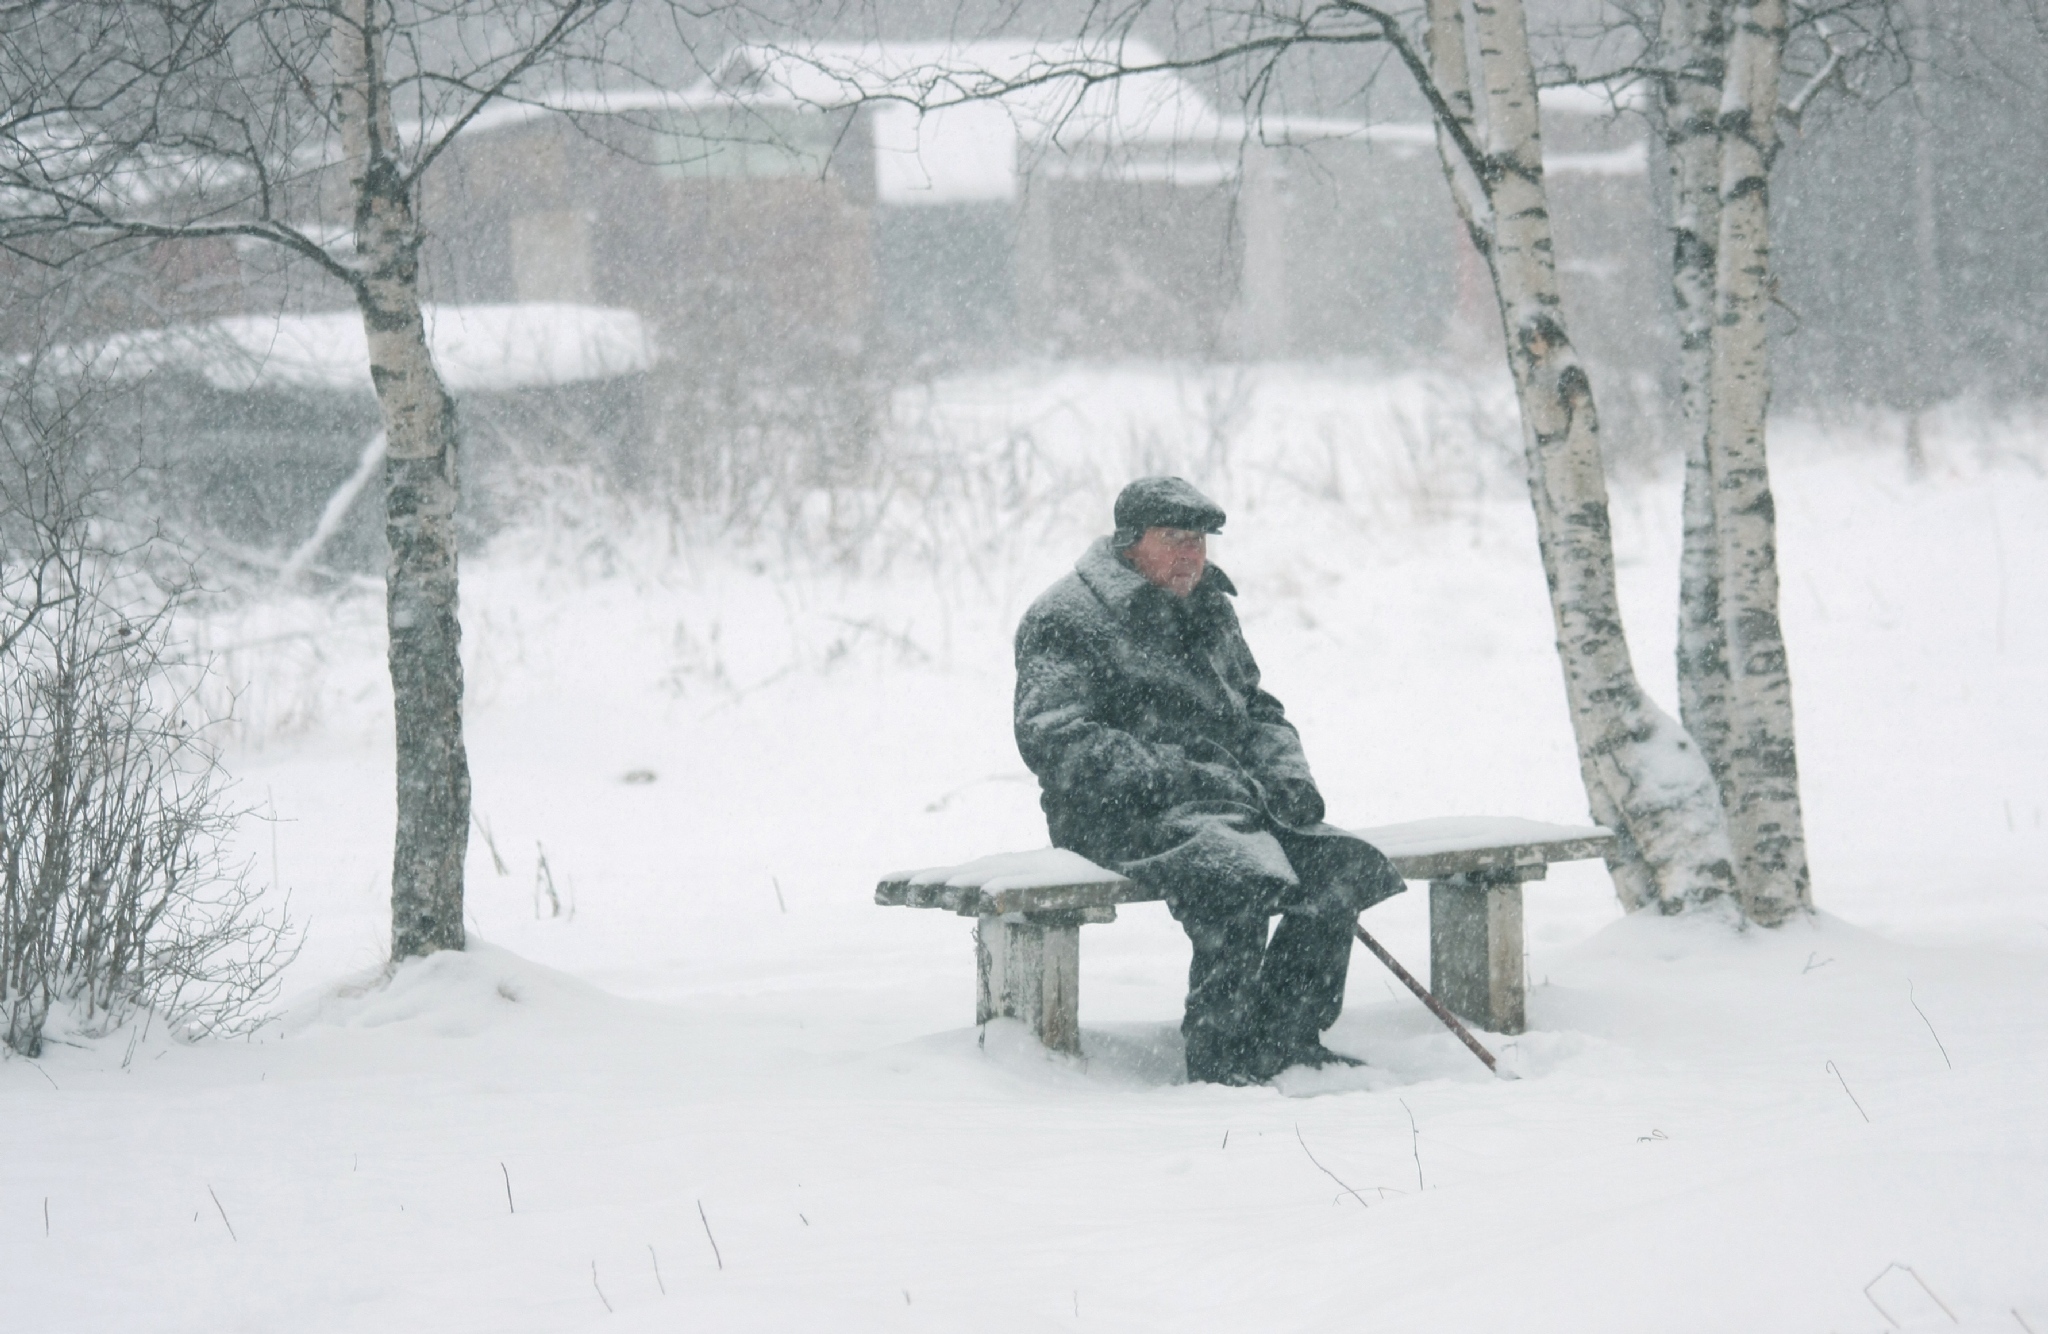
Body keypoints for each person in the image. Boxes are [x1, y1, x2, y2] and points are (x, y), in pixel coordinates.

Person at [1013, 476, 1405, 1084]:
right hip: (1114, 815)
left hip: (1229, 802)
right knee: (1236, 873)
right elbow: (1054, 736)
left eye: (1198, 540)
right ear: (1129, 542)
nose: (1191, 554)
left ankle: (1285, 1038)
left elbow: (1257, 710)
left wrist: (1285, 776)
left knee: (1339, 866)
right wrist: (1171, 776)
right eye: (1173, 538)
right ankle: (1220, 1055)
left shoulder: (1209, 610)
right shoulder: (1067, 617)